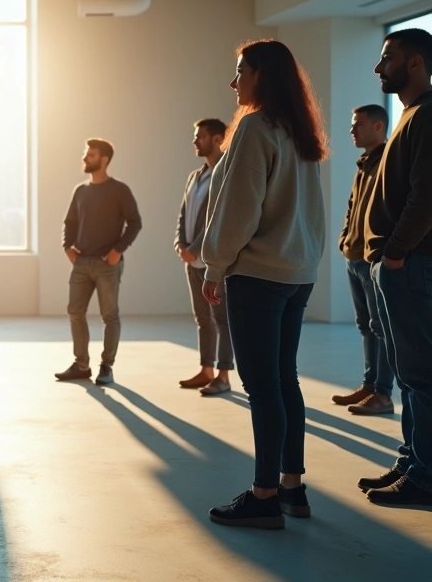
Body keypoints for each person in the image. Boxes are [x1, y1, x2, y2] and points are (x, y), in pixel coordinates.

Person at [203, 40, 328, 529]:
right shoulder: (299, 130)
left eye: (240, 72)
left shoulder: (255, 127)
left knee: (262, 389)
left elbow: (239, 209)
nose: (234, 83)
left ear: (262, 76)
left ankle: (264, 497)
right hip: (297, 274)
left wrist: (216, 264)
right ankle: (292, 488)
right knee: (284, 381)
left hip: (258, 274)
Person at [358, 28, 432, 506]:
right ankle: (415, 462)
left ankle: (431, 480)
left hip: (416, 260)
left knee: (425, 373)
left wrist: (397, 250)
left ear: (415, 62)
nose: (380, 68)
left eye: (388, 59)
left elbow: (430, 194)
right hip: (403, 260)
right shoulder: (413, 115)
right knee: (411, 373)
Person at [54, 138, 142, 386]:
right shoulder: (80, 191)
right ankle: (81, 365)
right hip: (81, 263)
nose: (85, 158)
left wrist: (117, 251)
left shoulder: (119, 190)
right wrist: (67, 247)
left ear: (104, 160)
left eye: (90, 155)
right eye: (85, 154)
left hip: (107, 264)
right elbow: (69, 222)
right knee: (74, 311)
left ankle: (106, 367)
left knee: (109, 316)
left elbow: (135, 222)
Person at [332, 104, 395, 416]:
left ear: (379, 126)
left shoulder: (388, 160)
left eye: (358, 124)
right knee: (366, 326)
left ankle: (383, 395)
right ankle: (370, 386)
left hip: (372, 259)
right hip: (354, 256)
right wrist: (345, 239)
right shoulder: (365, 163)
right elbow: (353, 206)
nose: (352, 129)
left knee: (381, 327)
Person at [175, 118, 234, 396]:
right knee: (203, 318)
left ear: (218, 138)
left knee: (221, 319)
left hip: (213, 262)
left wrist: (195, 248)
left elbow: (217, 218)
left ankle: (223, 376)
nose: (195, 141)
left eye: (200, 136)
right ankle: (206, 370)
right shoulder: (194, 176)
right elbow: (184, 214)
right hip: (192, 260)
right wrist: (180, 243)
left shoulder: (226, 172)